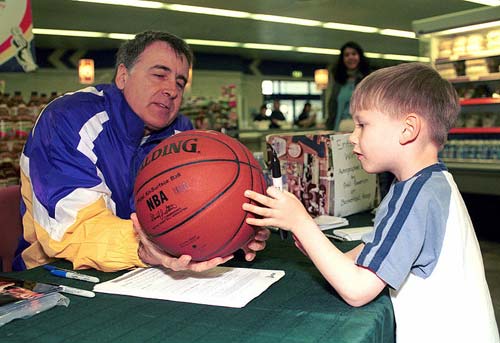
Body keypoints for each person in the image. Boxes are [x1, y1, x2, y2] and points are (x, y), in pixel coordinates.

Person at [243, 63, 499, 342]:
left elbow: (357, 289)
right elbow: (367, 252)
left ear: (408, 129)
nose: (352, 137)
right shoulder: (427, 184)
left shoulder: (415, 196)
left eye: (362, 125)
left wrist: (301, 223)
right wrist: (311, 239)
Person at [13, 31, 269, 273]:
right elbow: (71, 230)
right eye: (159, 75)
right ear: (123, 76)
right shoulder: (68, 119)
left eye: (180, 82)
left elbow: (188, 212)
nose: (172, 89)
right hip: (56, 276)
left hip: (149, 272)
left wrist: (232, 229)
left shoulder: (181, 133)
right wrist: (146, 249)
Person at [326, 41, 370, 132]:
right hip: (340, 129)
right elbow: (332, 107)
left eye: (354, 54)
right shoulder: (337, 82)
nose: (350, 57)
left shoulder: (368, 80)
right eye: (346, 55)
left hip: (363, 130)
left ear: (360, 57)